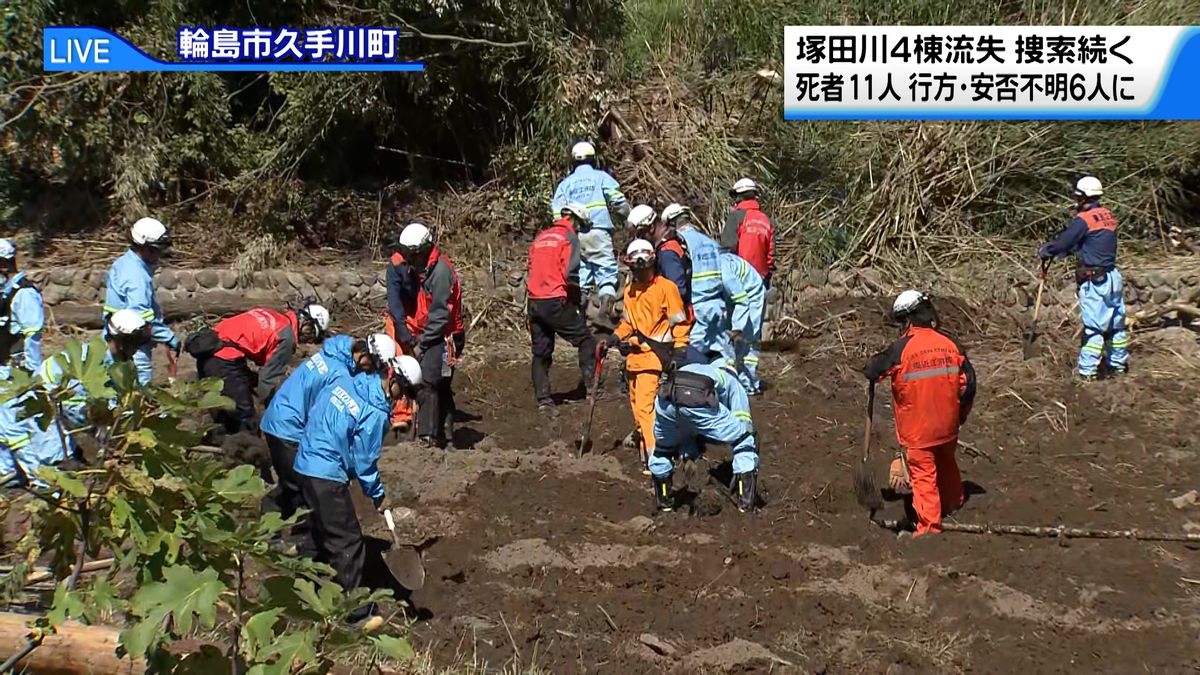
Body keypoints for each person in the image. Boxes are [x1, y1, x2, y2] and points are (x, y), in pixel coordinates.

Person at [293, 355, 423, 623]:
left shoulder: (349, 382)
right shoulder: (374, 412)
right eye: (405, 392)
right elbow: (365, 463)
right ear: (395, 380)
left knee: (317, 531)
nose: (403, 399)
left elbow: (324, 414)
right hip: (325, 472)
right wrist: (378, 495)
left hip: (304, 462)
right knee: (349, 541)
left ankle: (300, 592)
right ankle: (355, 615)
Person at [863, 290, 976, 537]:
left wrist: (870, 368)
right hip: (948, 427)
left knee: (923, 476)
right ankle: (953, 503)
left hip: (918, 432)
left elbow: (873, 370)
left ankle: (929, 528)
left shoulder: (901, 349)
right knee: (946, 462)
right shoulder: (951, 344)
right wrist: (961, 416)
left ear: (907, 321)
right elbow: (969, 384)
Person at [260, 333, 399, 534]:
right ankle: (295, 543)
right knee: (306, 492)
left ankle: (278, 533)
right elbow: (320, 414)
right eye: (373, 366)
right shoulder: (339, 373)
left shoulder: (333, 354)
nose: (370, 372)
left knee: (297, 486)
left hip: (278, 416)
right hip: (289, 429)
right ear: (366, 355)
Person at [599, 239, 690, 474]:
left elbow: (680, 322)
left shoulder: (666, 288)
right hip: (634, 359)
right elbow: (628, 324)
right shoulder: (630, 291)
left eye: (646, 268)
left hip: (654, 357)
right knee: (638, 410)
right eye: (637, 270)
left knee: (646, 410)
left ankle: (657, 460)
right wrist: (612, 339)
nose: (642, 273)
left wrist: (680, 349)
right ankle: (647, 455)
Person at [1038, 176, 1129, 380]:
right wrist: (1070, 250)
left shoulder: (1084, 220)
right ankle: (1118, 366)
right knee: (1116, 326)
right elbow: (1093, 243)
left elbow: (1064, 242)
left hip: (1095, 282)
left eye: (1077, 196)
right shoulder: (1108, 216)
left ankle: (1087, 373)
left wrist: (1047, 251)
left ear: (1083, 197)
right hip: (1113, 278)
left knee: (1094, 329)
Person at [194, 303, 331, 436]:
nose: (309, 340)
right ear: (306, 323)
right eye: (312, 334)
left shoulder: (271, 314)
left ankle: (218, 445)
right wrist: (274, 415)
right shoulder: (287, 338)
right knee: (247, 421)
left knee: (225, 413)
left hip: (206, 352)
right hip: (223, 360)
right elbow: (267, 380)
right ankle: (245, 454)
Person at [650, 357, 760, 513]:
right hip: (696, 397)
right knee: (744, 440)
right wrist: (741, 435)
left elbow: (687, 427)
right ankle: (746, 503)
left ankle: (664, 503)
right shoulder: (732, 380)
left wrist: (689, 453)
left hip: (664, 402)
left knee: (663, 449)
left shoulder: (697, 367)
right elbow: (743, 418)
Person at [394, 222, 466, 448]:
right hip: (438, 335)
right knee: (442, 385)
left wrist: (421, 345)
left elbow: (439, 315)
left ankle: (428, 438)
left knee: (428, 382)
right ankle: (447, 436)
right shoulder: (425, 269)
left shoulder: (441, 272)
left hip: (446, 339)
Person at [527, 203, 598, 409]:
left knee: (541, 351)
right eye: (580, 225)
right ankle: (592, 387)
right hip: (554, 299)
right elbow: (571, 275)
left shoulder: (540, 238)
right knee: (585, 339)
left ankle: (544, 400)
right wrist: (576, 300)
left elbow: (531, 268)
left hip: (534, 302)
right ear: (575, 220)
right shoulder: (569, 238)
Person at [550, 141, 631, 320]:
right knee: (605, 268)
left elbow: (557, 213)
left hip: (575, 234)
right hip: (599, 229)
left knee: (582, 271)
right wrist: (626, 219)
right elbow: (619, 202)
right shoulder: (601, 177)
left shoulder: (566, 183)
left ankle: (580, 310)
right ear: (593, 158)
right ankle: (607, 302)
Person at [38, 309, 151, 435]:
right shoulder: (93, 362)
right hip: (48, 417)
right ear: (122, 341)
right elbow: (74, 408)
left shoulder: (119, 364)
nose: (137, 350)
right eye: (135, 344)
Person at [102, 217, 180, 385]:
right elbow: (141, 315)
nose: (159, 255)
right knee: (138, 388)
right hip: (132, 341)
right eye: (157, 250)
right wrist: (168, 337)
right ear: (146, 248)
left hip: (117, 337)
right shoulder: (136, 276)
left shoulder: (123, 263)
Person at [661, 204, 726, 361]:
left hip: (696, 308)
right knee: (721, 354)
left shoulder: (680, 244)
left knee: (694, 359)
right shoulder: (711, 243)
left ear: (671, 223)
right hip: (719, 305)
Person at [718, 251, 766, 395]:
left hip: (751, 295)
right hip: (733, 297)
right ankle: (732, 380)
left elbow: (742, 301)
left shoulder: (724, 271)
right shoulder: (708, 266)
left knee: (749, 339)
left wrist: (737, 328)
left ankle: (749, 384)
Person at [384, 246, 421, 431]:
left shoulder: (426, 264)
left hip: (420, 314)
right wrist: (403, 332)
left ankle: (422, 409)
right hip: (400, 317)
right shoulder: (395, 264)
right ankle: (401, 414)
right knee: (398, 363)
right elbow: (394, 300)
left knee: (423, 365)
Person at [0, 239, 45, 381]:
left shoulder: (24, 294)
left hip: (15, 375)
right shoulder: (6, 293)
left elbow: (32, 335)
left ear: (3, 265)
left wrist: (32, 378)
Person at [720, 178, 776, 286]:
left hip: (740, 276)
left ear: (738, 197)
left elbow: (727, 248)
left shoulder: (736, 217)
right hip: (761, 278)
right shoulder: (766, 220)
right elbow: (771, 256)